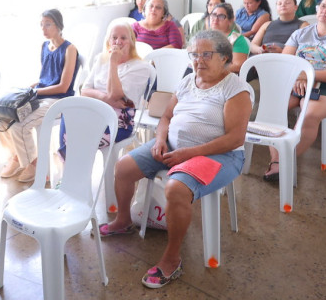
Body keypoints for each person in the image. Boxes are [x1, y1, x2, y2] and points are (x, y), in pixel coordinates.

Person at [98, 30, 251, 290]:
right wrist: (159, 140)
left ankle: (172, 258)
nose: (198, 60)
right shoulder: (188, 81)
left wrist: (187, 154)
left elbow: (235, 139)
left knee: (176, 189)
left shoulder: (235, 89)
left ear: (224, 58)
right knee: (123, 167)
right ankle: (123, 220)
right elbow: (166, 117)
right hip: (171, 147)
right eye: (194, 54)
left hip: (218, 155)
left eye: (206, 54)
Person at [263, 0, 326, 181]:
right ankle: (276, 161)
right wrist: (297, 77)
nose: (325, 11)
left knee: (309, 114)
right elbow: (286, 62)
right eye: (323, 6)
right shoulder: (300, 33)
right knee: (273, 110)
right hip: (296, 83)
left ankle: (285, 161)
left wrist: (307, 75)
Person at [0, 9, 78, 183]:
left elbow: (63, 86)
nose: (44, 28)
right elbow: (45, 78)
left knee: (20, 126)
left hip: (59, 100)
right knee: (4, 116)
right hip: (42, 95)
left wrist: (35, 92)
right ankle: (17, 157)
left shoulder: (70, 49)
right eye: (41, 24)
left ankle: (34, 165)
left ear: (59, 25)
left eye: (48, 24)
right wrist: (28, 88)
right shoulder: (44, 46)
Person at [59, 19, 151, 158]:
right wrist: (104, 98)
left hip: (118, 123)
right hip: (94, 113)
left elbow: (115, 95)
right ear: (108, 41)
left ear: (132, 41)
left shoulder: (140, 67)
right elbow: (85, 90)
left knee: (79, 139)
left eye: (123, 38)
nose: (118, 42)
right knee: (69, 115)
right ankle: (71, 170)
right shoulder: (101, 59)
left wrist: (113, 63)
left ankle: (75, 172)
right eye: (114, 37)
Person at [208, 3, 249, 74]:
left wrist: (213, 68)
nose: (215, 19)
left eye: (221, 16)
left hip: (225, 76)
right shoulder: (205, 36)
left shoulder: (237, 39)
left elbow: (238, 65)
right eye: (213, 15)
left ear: (230, 21)